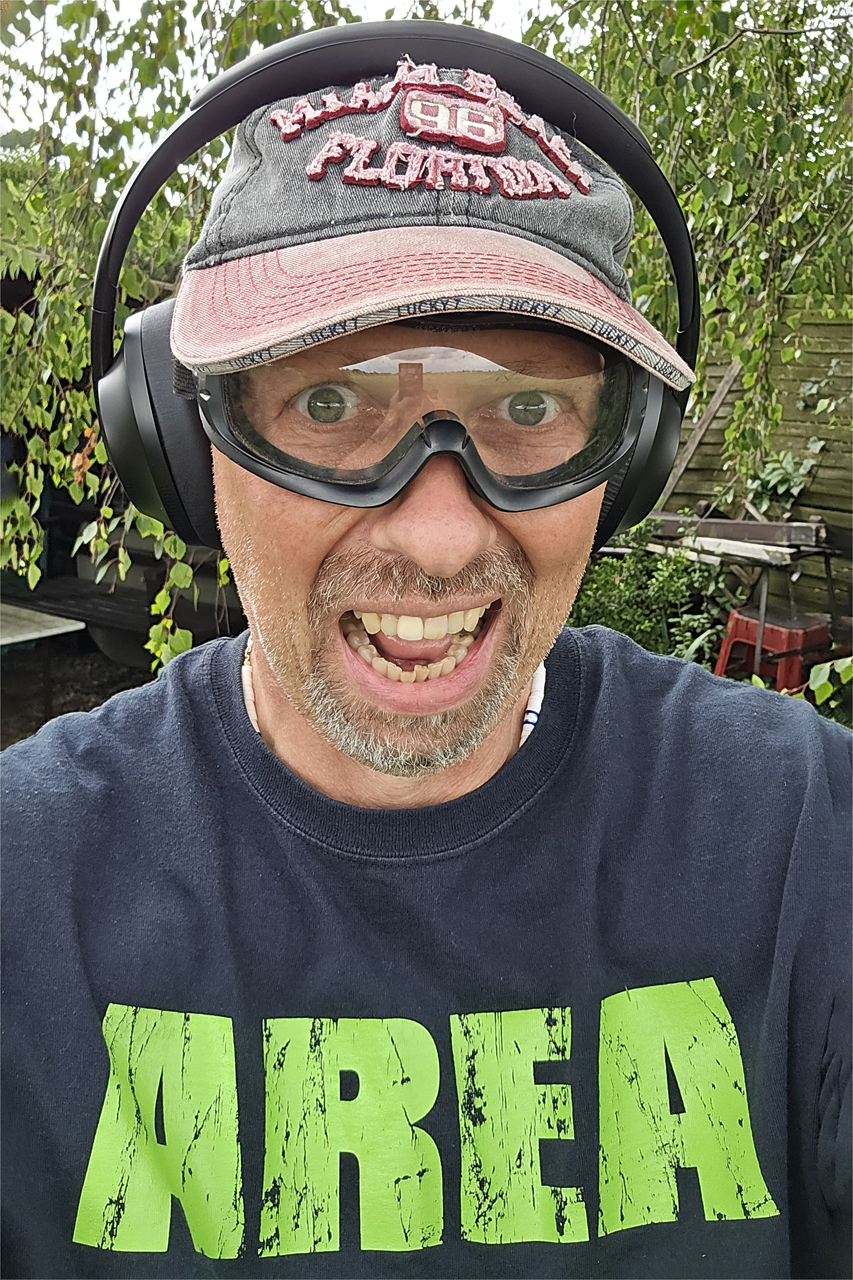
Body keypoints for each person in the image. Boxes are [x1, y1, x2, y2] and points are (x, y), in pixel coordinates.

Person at [2, 36, 850, 1280]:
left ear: (628, 464)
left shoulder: (803, 835)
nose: (442, 535)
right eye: (330, 404)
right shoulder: (25, 886)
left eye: (528, 409)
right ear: (184, 443)